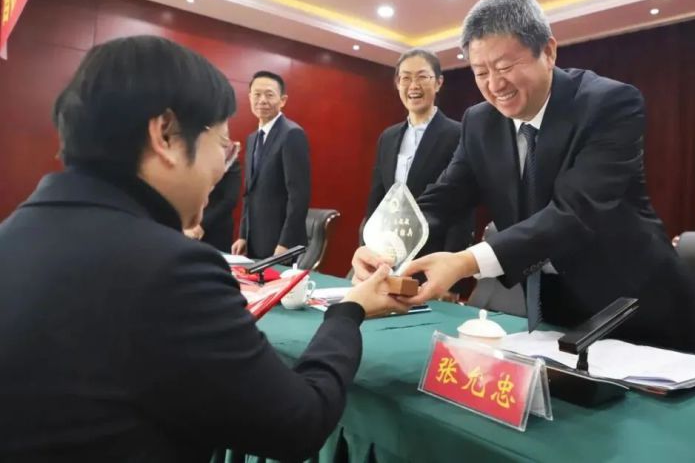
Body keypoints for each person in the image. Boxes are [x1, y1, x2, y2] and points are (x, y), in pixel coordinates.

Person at [0, 35, 407, 462]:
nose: (221, 168)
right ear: (165, 134)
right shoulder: (169, 269)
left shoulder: (13, 234)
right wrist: (348, 311)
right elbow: (300, 422)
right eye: (222, 146)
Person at [353, 0, 695, 352]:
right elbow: (444, 197)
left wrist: (465, 262)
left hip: (638, 308)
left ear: (548, 51)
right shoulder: (480, 122)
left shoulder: (608, 104)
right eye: (481, 72)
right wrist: (383, 247)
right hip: (555, 312)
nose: (495, 85)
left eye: (505, 67)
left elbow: (575, 213)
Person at [365, 49, 474, 289]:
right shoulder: (388, 137)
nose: (413, 85)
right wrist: (367, 250)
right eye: (405, 78)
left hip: (432, 260)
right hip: (386, 259)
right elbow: (377, 199)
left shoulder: (458, 134)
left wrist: (453, 281)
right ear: (398, 84)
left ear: (438, 83)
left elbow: (462, 210)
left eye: (422, 77)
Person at [231, 71, 310, 259]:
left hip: (279, 243)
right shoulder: (252, 138)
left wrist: (286, 243)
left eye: (269, 94)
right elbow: (249, 192)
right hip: (254, 239)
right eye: (257, 94)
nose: (262, 100)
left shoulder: (292, 134)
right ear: (249, 97)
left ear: (282, 100)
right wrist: (243, 235)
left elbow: (299, 195)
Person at [184, 155, 242, 252]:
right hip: (186, 229)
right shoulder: (189, 156)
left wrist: (202, 225)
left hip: (216, 230)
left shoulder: (229, 161)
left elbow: (230, 200)